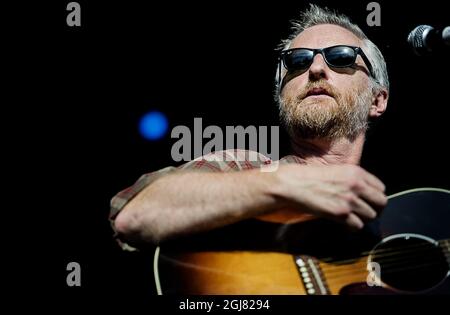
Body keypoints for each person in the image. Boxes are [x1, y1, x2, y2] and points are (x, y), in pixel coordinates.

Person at [110, 4, 389, 251]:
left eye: (340, 57)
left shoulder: (395, 222)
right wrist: (284, 182)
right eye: (297, 61)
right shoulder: (244, 167)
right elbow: (135, 216)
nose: (315, 69)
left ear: (377, 99)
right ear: (282, 96)